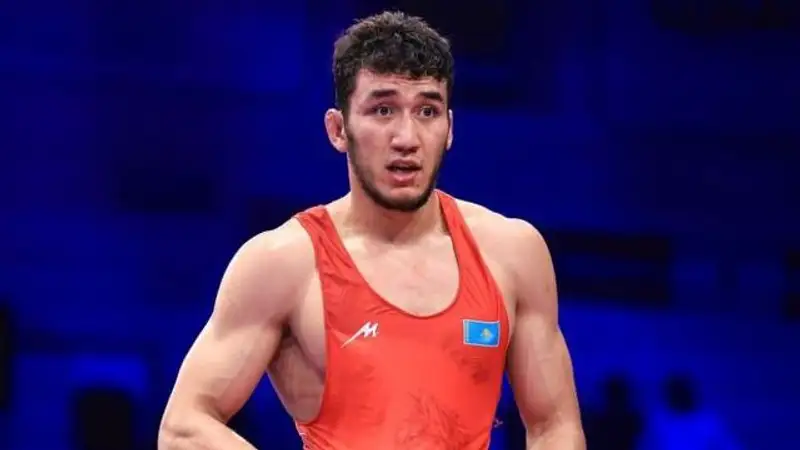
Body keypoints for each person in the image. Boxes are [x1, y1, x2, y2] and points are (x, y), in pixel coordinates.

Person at [158, 11, 584, 450]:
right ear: (338, 129)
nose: (407, 138)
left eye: (427, 111)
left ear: (449, 129)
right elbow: (184, 426)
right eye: (383, 110)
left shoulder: (512, 253)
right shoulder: (284, 263)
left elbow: (555, 427)